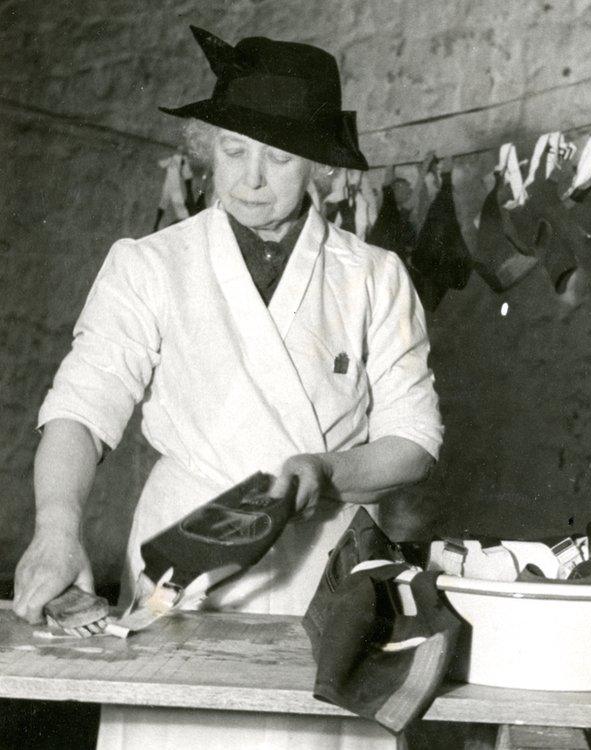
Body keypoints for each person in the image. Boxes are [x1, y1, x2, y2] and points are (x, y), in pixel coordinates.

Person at [12, 25, 442, 749]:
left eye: (278, 158)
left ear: (321, 171)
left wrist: (330, 471)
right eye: (234, 151)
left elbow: (415, 440)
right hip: (183, 563)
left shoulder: (373, 277)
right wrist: (57, 529)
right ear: (206, 149)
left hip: (323, 567)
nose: (250, 179)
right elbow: (82, 413)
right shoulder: (149, 265)